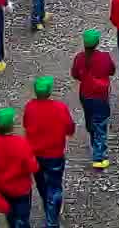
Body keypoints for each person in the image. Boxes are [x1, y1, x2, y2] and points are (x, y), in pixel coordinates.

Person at [22, 76, 74, 228]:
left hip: (35, 155)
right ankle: (52, 219)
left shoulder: (30, 107)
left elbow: (26, 124)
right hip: (54, 155)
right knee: (54, 186)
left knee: (42, 185)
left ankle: (49, 207)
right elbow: (69, 128)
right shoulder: (59, 108)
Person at [0, 108, 36, 228]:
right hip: (21, 188)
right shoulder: (21, 143)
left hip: (3, 187)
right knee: (22, 218)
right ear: (12, 125)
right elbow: (32, 167)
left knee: (10, 214)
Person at [70, 30, 115, 169]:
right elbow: (111, 71)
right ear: (97, 43)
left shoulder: (79, 58)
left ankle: (94, 139)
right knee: (101, 122)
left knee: (90, 119)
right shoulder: (104, 58)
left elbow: (75, 74)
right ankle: (99, 156)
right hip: (100, 96)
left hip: (85, 94)